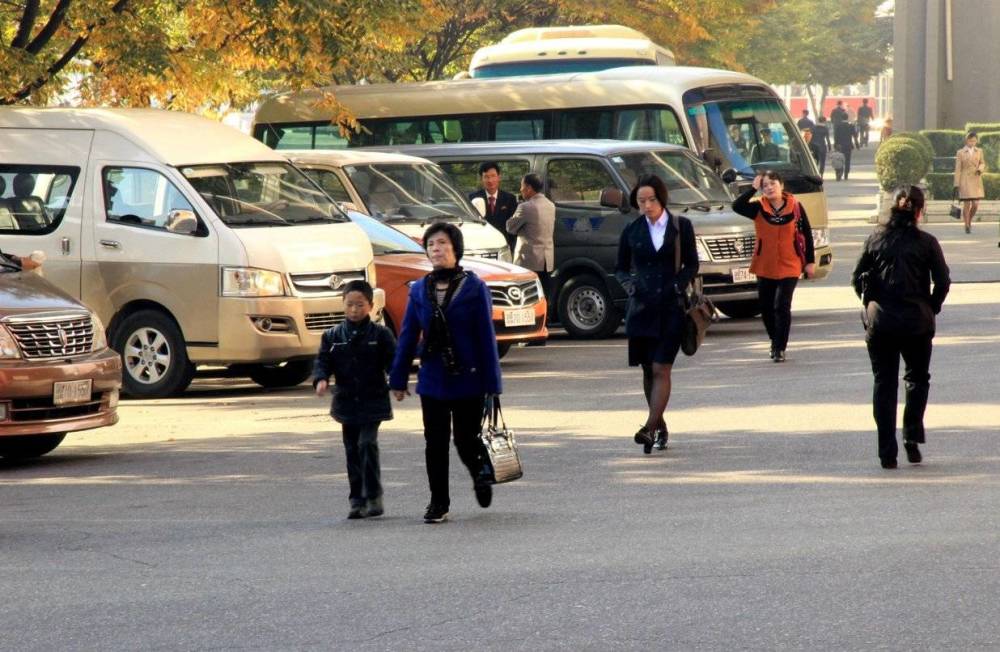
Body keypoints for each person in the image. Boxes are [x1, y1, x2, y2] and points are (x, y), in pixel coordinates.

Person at [389, 222, 502, 524]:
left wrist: (493, 384)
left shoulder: (474, 288)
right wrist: (398, 378)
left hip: (470, 377)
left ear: (456, 249)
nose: (436, 249)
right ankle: (438, 502)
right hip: (433, 379)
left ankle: (481, 473)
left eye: (442, 243)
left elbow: (485, 337)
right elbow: (408, 335)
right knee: (434, 443)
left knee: (466, 439)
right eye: (431, 244)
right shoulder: (419, 290)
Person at [850, 186, 950, 469]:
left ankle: (886, 452)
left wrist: (870, 301)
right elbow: (943, 282)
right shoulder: (927, 242)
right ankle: (911, 436)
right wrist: (931, 306)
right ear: (920, 211)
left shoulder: (874, 240)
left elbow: (857, 279)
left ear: (892, 208)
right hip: (917, 321)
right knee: (917, 380)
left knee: (884, 383)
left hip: (881, 321)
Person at [614, 175, 698, 454]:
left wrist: (678, 284)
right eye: (641, 201)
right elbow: (621, 268)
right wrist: (631, 286)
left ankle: (648, 429)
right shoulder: (632, 230)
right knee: (648, 370)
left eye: (651, 200)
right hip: (640, 310)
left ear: (661, 199)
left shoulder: (680, 226)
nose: (647, 206)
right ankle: (660, 427)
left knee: (662, 368)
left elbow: (692, 264)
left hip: (671, 308)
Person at [313, 280, 396, 520]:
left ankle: (373, 495)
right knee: (351, 450)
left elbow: (393, 362)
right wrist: (321, 379)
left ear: (370, 306)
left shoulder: (381, 335)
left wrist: (398, 383)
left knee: (366, 444)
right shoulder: (333, 335)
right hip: (346, 402)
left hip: (373, 400)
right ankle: (356, 499)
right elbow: (322, 361)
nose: (354, 310)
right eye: (350, 304)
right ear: (343, 305)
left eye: (360, 305)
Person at [732, 170, 815, 362]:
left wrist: (809, 262)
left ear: (782, 185)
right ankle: (774, 339)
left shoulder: (795, 206)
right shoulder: (758, 207)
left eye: (773, 184)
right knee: (767, 307)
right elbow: (737, 206)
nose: (769, 188)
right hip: (765, 264)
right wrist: (752, 189)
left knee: (782, 305)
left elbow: (807, 234)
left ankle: (780, 348)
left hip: (790, 263)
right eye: (765, 185)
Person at [506, 173, 555, 297]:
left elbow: (510, 228)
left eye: (522, 186)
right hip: (546, 260)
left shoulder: (525, 207)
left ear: (528, 188)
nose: (520, 189)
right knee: (543, 295)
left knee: (528, 297)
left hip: (529, 261)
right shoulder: (551, 205)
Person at [469, 162, 518, 251]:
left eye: (493, 176)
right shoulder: (473, 198)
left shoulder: (510, 199)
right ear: (481, 179)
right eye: (486, 177)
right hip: (480, 246)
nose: (490, 180)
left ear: (499, 177)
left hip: (503, 246)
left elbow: (513, 228)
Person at [954, 131, 986, 234]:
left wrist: (980, 169)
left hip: (976, 179)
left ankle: (969, 220)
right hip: (965, 180)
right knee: (966, 204)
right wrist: (956, 184)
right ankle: (967, 225)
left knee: (976, 204)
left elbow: (982, 163)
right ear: (966, 140)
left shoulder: (979, 151)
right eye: (971, 140)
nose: (972, 143)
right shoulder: (960, 152)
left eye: (974, 141)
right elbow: (958, 168)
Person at [833, 115, 855, 180]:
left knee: (839, 159)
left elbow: (835, 136)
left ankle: (839, 172)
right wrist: (857, 144)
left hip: (840, 146)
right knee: (847, 160)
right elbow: (855, 135)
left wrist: (835, 144)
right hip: (848, 145)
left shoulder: (838, 126)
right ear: (847, 118)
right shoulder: (850, 126)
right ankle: (846, 174)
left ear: (841, 118)